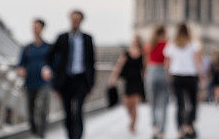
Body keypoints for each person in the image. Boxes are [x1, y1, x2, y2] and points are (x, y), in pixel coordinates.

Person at [42, 10, 96, 139]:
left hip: (81, 80)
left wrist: (91, 84)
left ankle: (78, 136)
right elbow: (49, 56)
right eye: (73, 19)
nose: (75, 21)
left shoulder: (87, 39)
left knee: (78, 110)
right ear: (70, 20)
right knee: (67, 112)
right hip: (65, 80)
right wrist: (47, 69)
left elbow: (91, 62)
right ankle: (70, 135)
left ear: (81, 21)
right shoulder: (62, 37)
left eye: (78, 19)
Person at [164, 23, 202, 139]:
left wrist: (169, 76)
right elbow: (197, 62)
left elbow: (167, 63)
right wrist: (201, 75)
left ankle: (180, 129)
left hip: (177, 76)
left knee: (180, 104)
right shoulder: (194, 44)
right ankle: (189, 125)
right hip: (191, 76)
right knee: (193, 103)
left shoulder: (171, 45)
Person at [16, 18, 51, 138]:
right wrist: (20, 70)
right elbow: (20, 64)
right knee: (30, 110)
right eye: (33, 27)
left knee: (42, 108)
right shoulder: (27, 48)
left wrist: (49, 70)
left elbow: (54, 64)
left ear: (42, 29)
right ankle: (34, 132)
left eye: (37, 27)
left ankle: (41, 134)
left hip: (44, 83)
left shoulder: (48, 47)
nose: (35, 29)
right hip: (30, 82)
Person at [108, 35, 147, 133]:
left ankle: (133, 124)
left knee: (134, 104)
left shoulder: (142, 55)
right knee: (127, 103)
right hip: (128, 82)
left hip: (137, 82)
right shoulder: (126, 54)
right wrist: (113, 78)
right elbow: (119, 66)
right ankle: (132, 119)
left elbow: (145, 69)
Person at [146, 25, 169, 139]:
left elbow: (146, 61)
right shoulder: (167, 45)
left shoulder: (150, 45)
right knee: (163, 104)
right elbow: (168, 62)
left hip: (151, 72)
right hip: (163, 72)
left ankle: (154, 127)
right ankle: (161, 129)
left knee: (153, 103)